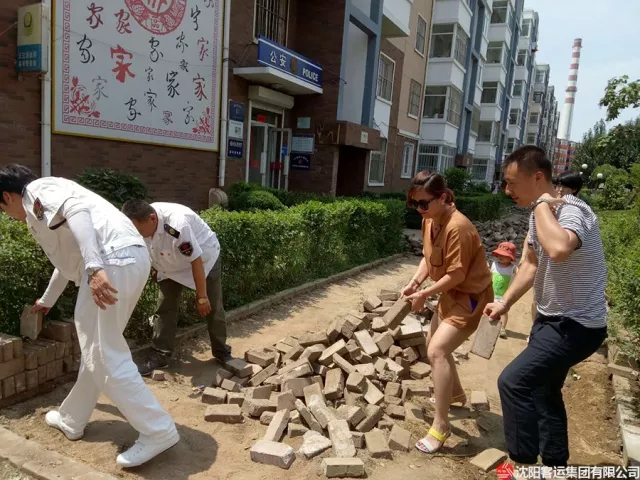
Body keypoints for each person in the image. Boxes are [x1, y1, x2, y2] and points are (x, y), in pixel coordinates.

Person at [0, 165, 179, 468]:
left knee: (104, 355)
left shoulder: (37, 191)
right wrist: (47, 300)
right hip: (124, 259)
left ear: (7, 196)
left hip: (110, 261)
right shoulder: (43, 204)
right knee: (97, 351)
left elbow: (77, 212)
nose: (7, 215)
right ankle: (72, 419)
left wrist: (95, 268)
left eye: (3, 209)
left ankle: (158, 430)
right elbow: (68, 260)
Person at [484, 146, 607, 469]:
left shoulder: (572, 210)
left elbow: (558, 249)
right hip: (550, 319)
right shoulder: (538, 214)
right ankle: (554, 466)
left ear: (537, 177)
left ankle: (522, 465)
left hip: (578, 325)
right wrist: (504, 302)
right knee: (544, 390)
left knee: (514, 382)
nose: (507, 190)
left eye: (512, 183)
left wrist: (541, 204)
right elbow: (530, 263)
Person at [401, 171, 493, 454]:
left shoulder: (458, 227)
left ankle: (441, 426)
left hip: (471, 298)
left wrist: (424, 295)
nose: (419, 209)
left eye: (424, 203)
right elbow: (429, 258)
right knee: (434, 343)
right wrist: (415, 283)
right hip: (450, 294)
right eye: (414, 203)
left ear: (442, 198)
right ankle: (455, 395)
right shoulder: (430, 219)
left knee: (437, 351)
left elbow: (457, 275)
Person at [121, 199, 231, 375]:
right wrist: (157, 267)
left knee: (212, 306)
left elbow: (195, 260)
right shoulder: (142, 222)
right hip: (171, 264)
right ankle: (160, 354)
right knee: (165, 307)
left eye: (140, 231)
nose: (138, 235)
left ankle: (222, 352)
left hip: (204, 259)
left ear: (152, 219)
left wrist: (201, 297)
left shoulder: (177, 225)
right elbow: (151, 248)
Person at [489, 242, 518, 339]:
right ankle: (489, 324)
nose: (500, 256)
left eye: (504, 255)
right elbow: (489, 275)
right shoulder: (494, 264)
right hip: (492, 293)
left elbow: (519, 275)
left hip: (504, 296)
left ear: (510, 257)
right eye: (499, 254)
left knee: (503, 312)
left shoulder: (513, 268)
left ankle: (502, 328)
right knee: (489, 309)